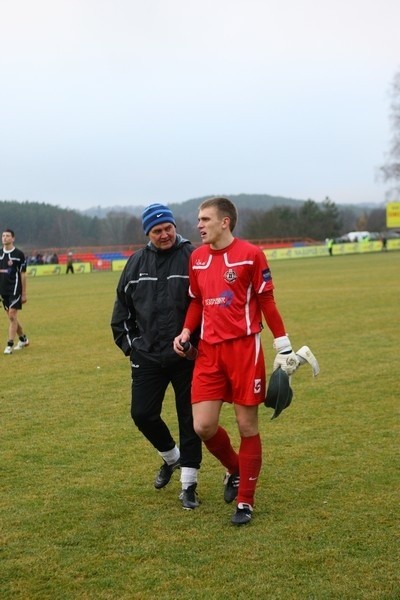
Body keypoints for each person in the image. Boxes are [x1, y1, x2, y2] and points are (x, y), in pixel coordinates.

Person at [173, 197, 300, 526]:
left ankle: (246, 502)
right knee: (203, 426)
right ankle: (235, 469)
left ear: (224, 221)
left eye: (205, 219)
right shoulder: (197, 258)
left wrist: (283, 345)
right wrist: (187, 331)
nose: (199, 225)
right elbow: (197, 302)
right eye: (198, 219)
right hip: (209, 353)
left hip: (244, 350)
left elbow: (267, 301)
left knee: (247, 426)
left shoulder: (251, 255)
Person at [111, 204, 202, 510]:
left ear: (175, 227)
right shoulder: (136, 263)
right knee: (142, 414)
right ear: (147, 234)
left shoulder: (194, 257)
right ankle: (171, 457)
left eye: (168, 228)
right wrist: (133, 346)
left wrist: (195, 345)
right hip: (147, 355)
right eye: (157, 231)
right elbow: (121, 313)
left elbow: (206, 306)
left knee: (190, 420)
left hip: (186, 356)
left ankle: (189, 484)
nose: (164, 235)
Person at [0, 229, 29, 354]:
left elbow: (23, 275)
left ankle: (9, 345)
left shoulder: (19, 254)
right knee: (13, 318)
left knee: (12, 316)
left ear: (13, 239)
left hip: (15, 289)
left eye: (7, 236)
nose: (5, 238)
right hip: (3, 290)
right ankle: (23, 339)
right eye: (3, 236)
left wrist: (24, 293)